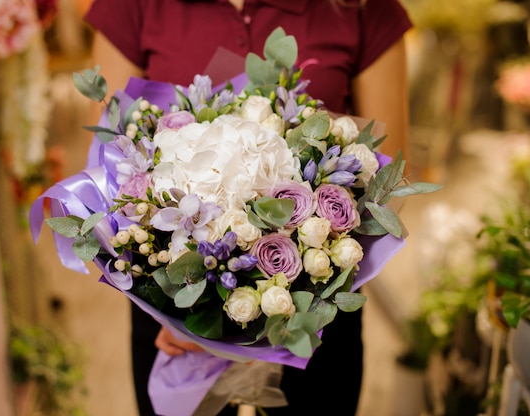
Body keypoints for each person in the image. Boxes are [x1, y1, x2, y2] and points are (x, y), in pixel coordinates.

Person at [83, 0, 412, 414]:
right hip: (172, 322)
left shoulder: (364, 10)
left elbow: (388, 183)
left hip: (316, 319)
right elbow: (110, 170)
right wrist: (181, 316)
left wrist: (299, 293)